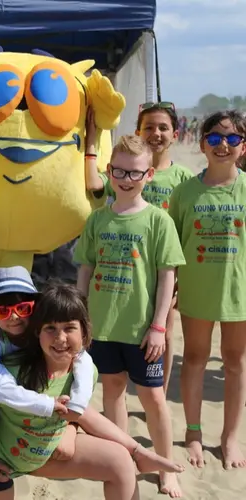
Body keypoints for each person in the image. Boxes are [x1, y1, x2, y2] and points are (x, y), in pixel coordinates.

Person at [0, 268, 183, 500]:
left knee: (120, 461)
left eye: (70, 328)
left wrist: (136, 450)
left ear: (85, 332)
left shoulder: (83, 369)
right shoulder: (5, 370)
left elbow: (81, 411)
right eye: (51, 328)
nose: (61, 338)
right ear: (38, 329)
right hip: (1, 462)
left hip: (47, 453)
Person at [75, 135, 186, 498]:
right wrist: (80, 317)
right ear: (109, 171)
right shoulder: (97, 220)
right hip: (102, 327)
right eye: (119, 171)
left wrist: (158, 327)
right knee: (113, 392)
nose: (126, 178)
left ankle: (167, 468)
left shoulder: (159, 221)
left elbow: (167, 275)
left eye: (135, 172)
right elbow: (85, 270)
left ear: (149, 174)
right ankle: (125, 461)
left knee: (153, 399)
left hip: (142, 330)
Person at [85, 102, 194, 395]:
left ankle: (157, 385)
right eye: (148, 127)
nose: (156, 133)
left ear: (175, 133)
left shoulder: (182, 178)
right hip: (130, 267)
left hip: (165, 265)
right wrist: (91, 139)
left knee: (164, 330)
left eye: (163, 127)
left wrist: (180, 276)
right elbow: (95, 183)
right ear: (138, 131)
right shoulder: (125, 172)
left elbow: (184, 226)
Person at [169, 110, 246, 470]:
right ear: (202, 144)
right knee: (196, 359)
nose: (223, 145)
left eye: (232, 139)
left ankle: (230, 437)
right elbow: (172, 245)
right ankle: (194, 432)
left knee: (235, 362)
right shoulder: (184, 192)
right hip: (197, 290)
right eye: (215, 138)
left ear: (243, 146)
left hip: (239, 291)